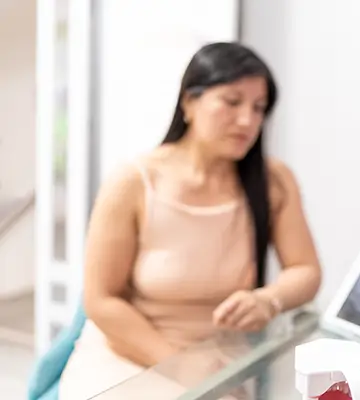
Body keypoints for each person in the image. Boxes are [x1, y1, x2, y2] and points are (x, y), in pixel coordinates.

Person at [57, 42, 321, 400]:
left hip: (220, 358)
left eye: (259, 108)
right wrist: (177, 365)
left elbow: (305, 270)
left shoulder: (273, 181)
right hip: (128, 355)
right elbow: (101, 300)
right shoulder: (133, 182)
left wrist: (269, 300)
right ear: (189, 102)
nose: (248, 120)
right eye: (232, 102)